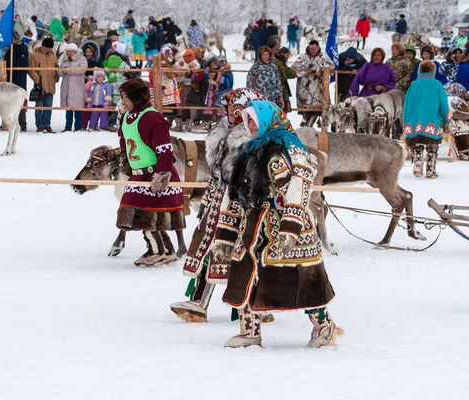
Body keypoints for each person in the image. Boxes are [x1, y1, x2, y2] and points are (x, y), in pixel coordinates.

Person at [211, 99, 339, 348]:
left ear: (268, 119)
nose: (250, 125)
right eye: (247, 120)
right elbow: (234, 192)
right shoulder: (247, 151)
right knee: (245, 274)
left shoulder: (290, 148)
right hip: (252, 226)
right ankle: (249, 331)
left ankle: (324, 325)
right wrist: (226, 233)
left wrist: (291, 226)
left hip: (286, 224)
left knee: (302, 279)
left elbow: (300, 185)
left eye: (254, 120)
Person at [170, 88, 265, 323]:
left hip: (241, 203)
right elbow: (216, 174)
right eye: (231, 109)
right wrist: (207, 202)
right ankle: (198, 300)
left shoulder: (254, 137)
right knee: (208, 247)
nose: (233, 114)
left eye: (239, 110)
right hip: (216, 201)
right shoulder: (222, 133)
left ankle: (257, 304)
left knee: (243, 252)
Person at [116, 78, 186, 266]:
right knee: (137, 212)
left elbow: (164, 147)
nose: (122, 100)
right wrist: (125, 160)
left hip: (154, 174)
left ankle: (159, 250)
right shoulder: (128, 117)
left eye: (125, 96)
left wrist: (162, 173)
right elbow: (124, 141)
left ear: (136, 97)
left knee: (147, 214)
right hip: (138, 173)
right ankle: (163, 249)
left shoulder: (151, 117)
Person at [403, 61, 451, 178]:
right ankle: (430, 170)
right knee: (432, 147)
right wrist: (446, 121)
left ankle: (418, 164)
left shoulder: (414, 85)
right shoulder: (437, 84)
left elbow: (406, 105)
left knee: (416, 145)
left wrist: (405, 122)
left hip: (414, 121)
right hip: (432, 121)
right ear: (433, 71)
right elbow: (444, 104)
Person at [292, 40, 335, 126]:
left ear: (318, 47)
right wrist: (306, 69)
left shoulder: (323, 56)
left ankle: (315, 128)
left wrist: (318, 68)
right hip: (305, 90)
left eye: (314, 49)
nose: (312, 50)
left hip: (319, 91)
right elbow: (294, 68)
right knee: (307, 111)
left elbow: (331, 67)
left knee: (318, 111)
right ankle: (306, 125)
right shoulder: (303, 57)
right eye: (310, 48)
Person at [28, 37, 58, 133]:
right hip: (39, 85)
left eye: (50, 48)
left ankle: (47, 124)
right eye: (47, 47)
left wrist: (56, 78)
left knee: (48, 105)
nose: (49, 50)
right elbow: (30, 69)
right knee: (39, 106)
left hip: (51, 84)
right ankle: (40, 125)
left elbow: (57, 68)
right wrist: (37, 80)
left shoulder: (53, 56)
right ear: (43, 46)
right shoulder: (34, 55)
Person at [58, 43, 88, 133]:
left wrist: (69, 70)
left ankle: (77, 127)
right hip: (66, 86)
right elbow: (59, 71)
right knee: (68, 109)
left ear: (75, 52)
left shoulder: (82, 59)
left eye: (71, 51)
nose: (70, 53)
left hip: (77, 87)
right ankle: (68, 127)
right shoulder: (64, 60)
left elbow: (83, 69)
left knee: (78, 109)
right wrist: (63, 72)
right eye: (68, 51)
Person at [4, 31, 28, 133]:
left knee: (19, 102)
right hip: (10, 79)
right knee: (8, 102)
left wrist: (10, 63)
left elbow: (21, 64)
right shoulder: (10, 49)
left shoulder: (22, 49)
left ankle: (22, 124)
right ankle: (9, 123)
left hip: (19, 80)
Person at [273, 47, 297, 113]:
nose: (288, 57)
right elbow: (286, 73)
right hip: (279, 91)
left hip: (280, 91)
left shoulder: (279, 61)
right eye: (287, 55)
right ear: (281, 54)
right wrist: (296, 72)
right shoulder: (278, 62)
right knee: (281, 112)